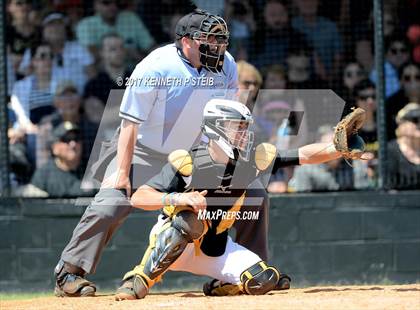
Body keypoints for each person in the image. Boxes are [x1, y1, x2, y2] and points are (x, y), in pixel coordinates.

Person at [53, 9, 256, 298]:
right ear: (186, 42)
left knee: (248, 189)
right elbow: (129, 124)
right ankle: (68, 273)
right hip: (143, 150)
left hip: (194, 150)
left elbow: (229, 113)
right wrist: (122, 172)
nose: (218, 47)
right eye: (209, 40)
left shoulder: (227, 66)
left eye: (220, 40)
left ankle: (249, 271)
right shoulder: (156, 67)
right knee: (111, 202)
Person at [114, 99, 366, 300]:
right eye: (238, 127)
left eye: (245, 127)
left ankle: (220, 286)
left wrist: (337, 149)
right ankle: (139, 279)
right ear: (216, 127)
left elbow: (303, 155)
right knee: (191, 220)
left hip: (213, 248)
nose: (244, 134)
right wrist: (180, 196)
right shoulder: (187, 161)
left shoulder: (252, 160)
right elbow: (139, 197)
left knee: (264, 279)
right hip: (175, 240)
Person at [19, 12, 95, 93]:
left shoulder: (79, 48)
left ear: (66, 29)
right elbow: (26, 76)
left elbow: (92, 75)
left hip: (79, 97)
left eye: (59, 24)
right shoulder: (33, 50)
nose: (55, 28)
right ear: (43, 30)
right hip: (45, 99)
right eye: (51, 25)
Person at [36, 81, 98, 171]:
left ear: (80, 100)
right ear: (55, 102)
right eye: (63, 96)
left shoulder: (91, 128)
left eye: (73, 95)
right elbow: (42, 165)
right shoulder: (47, 128)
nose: (69, 100)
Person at [76, 0, 155, 65]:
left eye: (117, 3)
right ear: (95, 5)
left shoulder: (131, 17)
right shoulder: (86, 25)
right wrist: (126, 51)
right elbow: (91, 57)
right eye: (106, 2)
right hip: (104, 76)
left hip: (135, 73)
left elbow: (150, 46)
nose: (113, 7)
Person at [30, 121, 95, 197]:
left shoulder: (93, 170)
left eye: (76, 139)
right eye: (66, 139)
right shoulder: (43, 174)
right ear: (55, 148)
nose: (73, 144)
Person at [288, 125, 354, 192]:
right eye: (330, 146)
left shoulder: (354, 167)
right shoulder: (305, 170)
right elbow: (302, 200)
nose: (335, 150)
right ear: (318, 148)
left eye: (338, 145)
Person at [83, 33, 131, 124]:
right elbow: (97, 117)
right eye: (113, 49)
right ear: (102, 53)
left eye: (121, 48)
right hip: (107, 136)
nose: (119, 52)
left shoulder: (139, 79)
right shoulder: (93, 85)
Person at [387, 103, 420, 190]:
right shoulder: (390, 150)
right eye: (415, 120)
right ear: (401, 125)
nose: (419, 124)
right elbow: (389, 188)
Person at [386, 62, 420, 140]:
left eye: (417, 77)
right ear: (400, 81)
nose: (413, 82)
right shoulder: (391, 105)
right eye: (407, 78)